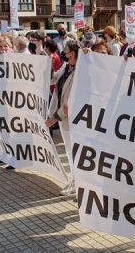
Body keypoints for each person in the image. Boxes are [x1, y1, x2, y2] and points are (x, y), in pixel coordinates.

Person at [46, 40, 81, 194]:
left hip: (73, 119)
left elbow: (71, 101)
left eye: (65, 51)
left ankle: (78, 183)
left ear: (72, 53)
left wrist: (55, 117)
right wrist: (48, 62)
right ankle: (75, 182)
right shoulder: (66, 68)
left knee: (76, 152)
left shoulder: (81, 71)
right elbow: (52, 79)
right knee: (69, 151)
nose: (63, 53)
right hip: (64, 119)